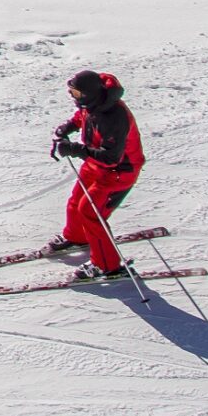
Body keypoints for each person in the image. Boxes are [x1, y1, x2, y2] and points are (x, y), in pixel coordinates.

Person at [51, 70, 145, 280]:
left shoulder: (114, 117)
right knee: (77, 201)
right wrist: (66, 128)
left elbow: (111, 157)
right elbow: (82, 117)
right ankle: (77, 237)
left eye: (76, 94)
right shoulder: (93, 105)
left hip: (118, 172)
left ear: (89, 95)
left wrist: (76, 150)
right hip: (96, 165)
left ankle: (107, 265)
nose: (73, 98)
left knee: (90, 211)